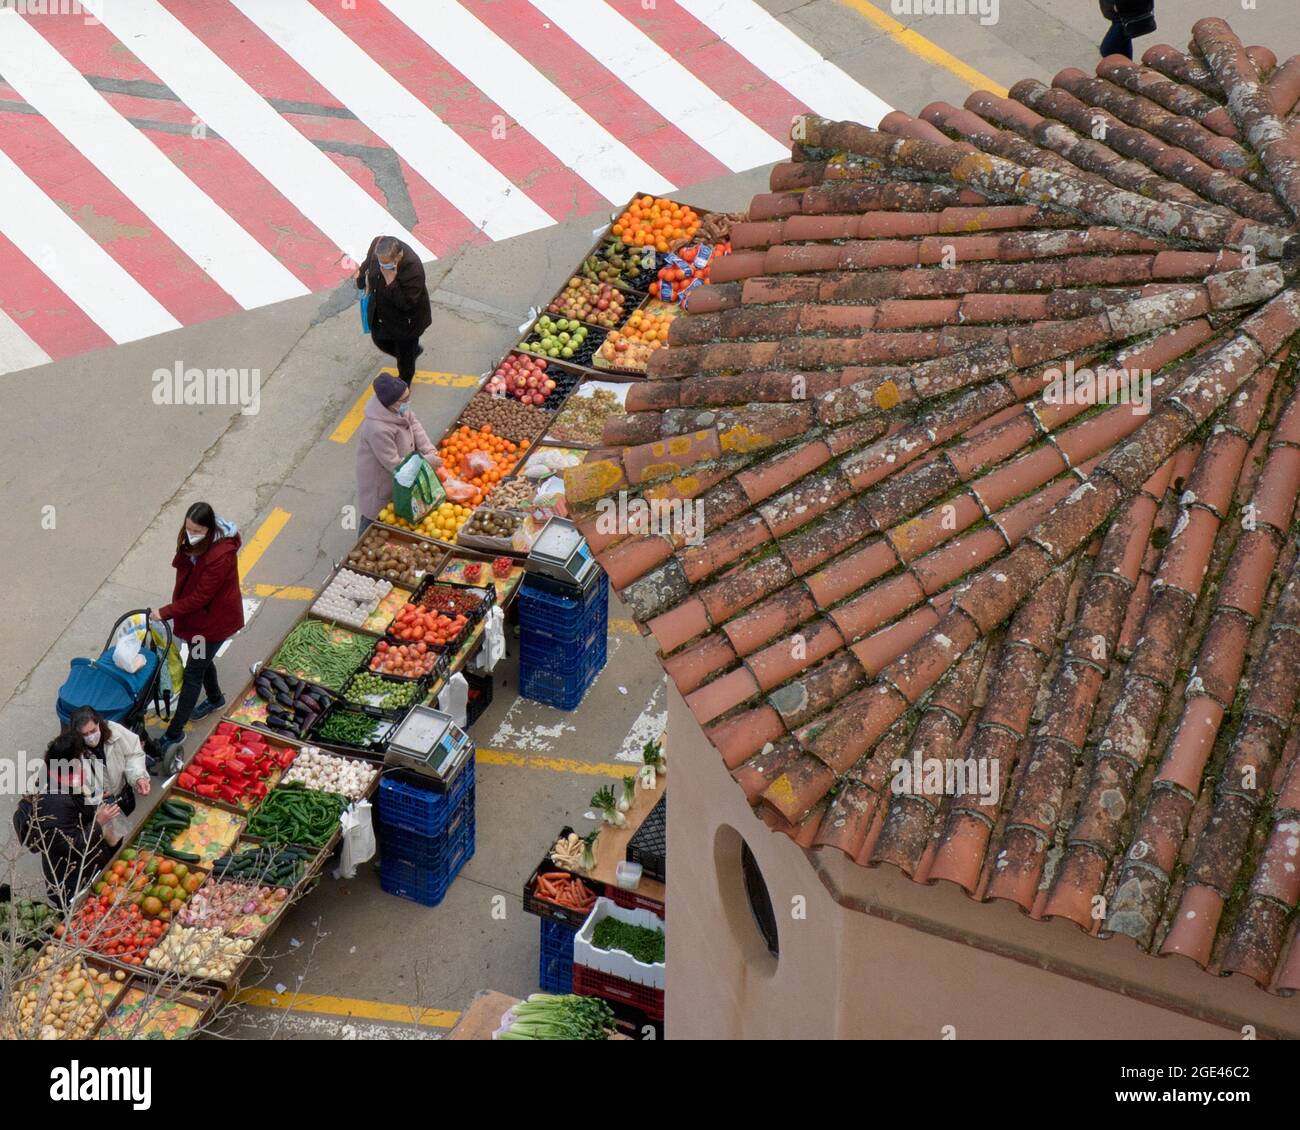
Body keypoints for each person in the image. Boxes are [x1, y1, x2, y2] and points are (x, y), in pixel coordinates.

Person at [149, 502, 244, 765]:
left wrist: (165, 611)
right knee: (201, 661)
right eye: (188, 528)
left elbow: (201, 597)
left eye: (196, 530)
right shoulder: (196, 543)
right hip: (198, 622)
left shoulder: (221, 556)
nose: (190, 533)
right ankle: (215, 698)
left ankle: (174, 733)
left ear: (209, 528)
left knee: (193, 673)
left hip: (211, 625)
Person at [30, 733, 122, 906]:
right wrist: (98, 822)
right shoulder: (55, 802)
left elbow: (78, 804)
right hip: (74, 880)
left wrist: (94, 798)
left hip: (87, 865)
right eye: (81, 756)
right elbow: (70, 846)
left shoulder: (59, 776)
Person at [356, 373, 441, 531]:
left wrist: (429, 449)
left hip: (403, 470)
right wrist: (427, 461)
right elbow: (395, 465)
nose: (408, 402)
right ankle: (360, 540)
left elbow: (414, 425)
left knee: (393, 512)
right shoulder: (377, 429)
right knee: (374, 515)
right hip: (381, 479)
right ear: (391, 403)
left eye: (408, 396)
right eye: (404, 399)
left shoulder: (399, 409)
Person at [355, 235, 432, 385]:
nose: (383, 268)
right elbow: (367, 264)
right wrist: (360, 280)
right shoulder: (378, 243)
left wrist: (391, 281)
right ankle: (412, 353)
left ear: (398, 257)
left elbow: (407, 304)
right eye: (380, 263)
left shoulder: (413, 268)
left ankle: (404, 383)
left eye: (387, 265)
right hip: (382, 313)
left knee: (405, 361)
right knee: (379, 340)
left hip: (406, 323)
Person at [66, 706, 151, 816]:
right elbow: (68, 786)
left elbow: (133, 754)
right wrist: (92, 796)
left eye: (93, 731)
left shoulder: (115, 731)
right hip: (99, 808)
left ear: (99, 723)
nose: (90, 737)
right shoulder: (70, 750)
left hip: (123, 796)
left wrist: (138, 777)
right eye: (84, 734)